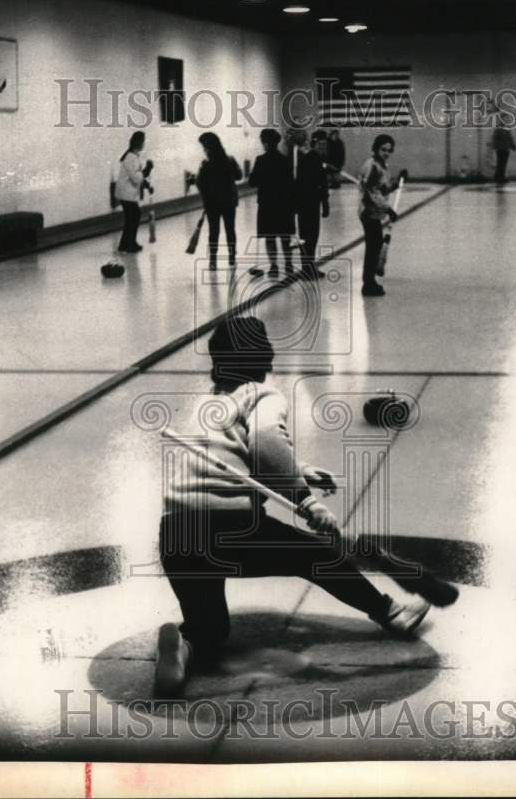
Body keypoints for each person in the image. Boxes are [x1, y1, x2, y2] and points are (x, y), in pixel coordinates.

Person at [154, 315, 432, 696]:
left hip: (176, 536)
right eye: (265, 348)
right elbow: (267, 442)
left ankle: (182, 645)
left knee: (211, 632)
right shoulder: (261, 395)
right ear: (259, 357)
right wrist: (303, 498)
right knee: (314, 554)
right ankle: (391, 613)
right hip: (229, 528)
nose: (271, 356)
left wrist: (299, 469)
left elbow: (236, 456)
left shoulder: (208, 404)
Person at [358, 134, 406, 297]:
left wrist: (397, 181)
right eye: (383, 149)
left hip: (375, 212)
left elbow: (383, 189)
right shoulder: (372, 166)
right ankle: (368, 283)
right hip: (368, 212)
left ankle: (370, 280)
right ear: (376, 148)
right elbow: (372, 192)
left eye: (389, 150)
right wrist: (388, 209)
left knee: (376, 245)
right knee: (373, 247)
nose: (386, 153)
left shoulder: (382, 165)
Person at [248, 129, 295, 278]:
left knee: (270, 236)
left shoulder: (260, 160)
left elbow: (252, 182)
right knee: (285, 235)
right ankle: (288, 264)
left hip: (266, 203)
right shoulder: (285, 160)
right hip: (283, 203)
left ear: (265, 143)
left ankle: (273, 266)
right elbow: (290, 183)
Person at [196, 133, 243, 270]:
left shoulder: (206, 164)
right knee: (230, 230)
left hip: (212, 203)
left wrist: (206, 197)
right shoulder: (229, 160)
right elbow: (239, 176)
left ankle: (213, 261)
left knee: (213, 231)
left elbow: (200, 183)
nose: (203, 150)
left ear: (208, 148)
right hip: (229, 201)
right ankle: (232, 257)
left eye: (204, 147)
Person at [290, 129, 330, 279]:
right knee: (308, 237)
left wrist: (324, 202)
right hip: (306, 204)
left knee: (311, 237)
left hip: (312, 204)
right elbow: (301, 184)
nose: (323, 148)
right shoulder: (309, 159)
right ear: (314, 144)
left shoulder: (317, 159)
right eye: (321, 144)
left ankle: (309, 266)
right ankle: (307, 268)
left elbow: (322, 184)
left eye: (325, 145)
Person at [116, 131, 152, 253]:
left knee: (132, 217)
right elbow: (136, 177)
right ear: (139, 143)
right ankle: (128, 245)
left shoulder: (133, 156)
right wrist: (147, 170)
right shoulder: (130, 157)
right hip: (126, 194)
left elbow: (138, 174)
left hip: (127, 193)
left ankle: (127, 244)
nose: (144, 144)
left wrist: (147, 185)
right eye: (143, 141)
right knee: (133, 217)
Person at [490, 119, 516, 184]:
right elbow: (495, 139)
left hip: (506, 149)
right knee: (500, 163)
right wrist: (495, 147)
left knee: (503, 164)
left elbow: (510, 138)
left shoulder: (507, 130)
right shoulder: (498, 130)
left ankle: (500, 177)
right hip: (501, 149)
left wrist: (512, 146)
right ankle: (499, 177)